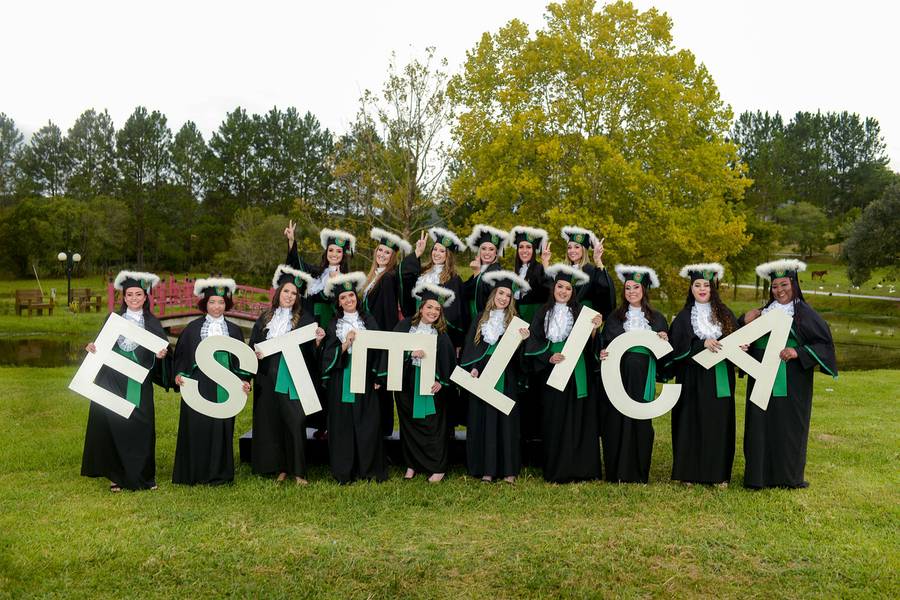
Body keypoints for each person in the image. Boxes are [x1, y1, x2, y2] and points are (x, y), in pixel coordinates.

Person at [741, 259, 837, 489]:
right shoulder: (763, 313)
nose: (779, 290)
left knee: (788, 427)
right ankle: (757, 477)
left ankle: (787, 477)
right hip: (761, 376)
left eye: (784, 285)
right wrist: (744, 336)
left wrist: (798, 352)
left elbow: (824, 345)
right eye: (774, 286)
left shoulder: (804, 313)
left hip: (792, 380)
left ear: (794, 284)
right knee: (758, 426)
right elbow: (743, 337)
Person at [81, 271, 170, 492]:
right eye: (129, 294)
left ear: (145, 297)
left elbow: (163, 352)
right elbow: (101, 345)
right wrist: (92, 347)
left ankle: (144, 476)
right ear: (124, 297)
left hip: (139, 381)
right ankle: (116, 476)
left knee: (142, 424)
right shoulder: (113, 320)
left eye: (138, 294)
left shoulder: (152, 322)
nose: (134, 298)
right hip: (113, 378)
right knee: (116, 424)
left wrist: (161, 355)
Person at [525, 264, 603, 482]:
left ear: (573, 292)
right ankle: (557, 470)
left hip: (578, 371)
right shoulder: (543, 312)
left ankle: (583, 470)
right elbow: (533, 341)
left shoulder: (581, 312)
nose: (563, 291)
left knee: (580, 418)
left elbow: (591, 345)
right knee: (555, 418)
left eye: (568, 289)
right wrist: (548, 356)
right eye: (560, 287)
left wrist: (595, 330)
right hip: (551, 372)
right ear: (553, 288)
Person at [248, 265, 325, 485]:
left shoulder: (305, 319)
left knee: (296, 420)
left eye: (294, 293)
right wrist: (255, 353)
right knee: (274, 422)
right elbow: (253, 345)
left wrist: (317, 342)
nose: (290, 296)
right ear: (278, 293)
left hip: (292, 375)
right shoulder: (265, 318)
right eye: (286, 291)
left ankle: (299, 472)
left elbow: (312, 353)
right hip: (267, 377)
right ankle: (280, 468)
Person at [172, 278, 251, 485]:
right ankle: (195, 472)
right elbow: (181, 357)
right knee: (197, 425)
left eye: (221, 302)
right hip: (199, 384)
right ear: (204, 303)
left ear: (227, 304)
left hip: (225, 386)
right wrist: (179, 374)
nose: (217, 306)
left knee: (221, 427)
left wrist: (244, 380)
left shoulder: (234, 330)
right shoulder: (192, 329)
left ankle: (219, 474)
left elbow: (241, 362)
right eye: (212, 302)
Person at [666, 263, 738, 486]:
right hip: (692, 378)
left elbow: (736, 341)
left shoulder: (726, 314)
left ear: (713, 287)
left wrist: (742, 347)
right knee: (690, 422)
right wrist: (700, 344)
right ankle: (689, 473)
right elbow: (675, 348)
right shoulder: (683, 317)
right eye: (697, 285)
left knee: (719, 423)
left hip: (719, 378)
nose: (702, 289)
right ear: (691, 288)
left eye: (706, 285)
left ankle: (718, 475)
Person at [598, 265, 668, 483]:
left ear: (644, 290)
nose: (631, 292)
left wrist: (664, 340)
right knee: (615, 420)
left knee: (640, 421)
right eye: (628, 288)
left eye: (636, 287)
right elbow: (604, 345)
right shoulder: (615, 317)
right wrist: (602, 352)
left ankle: (637, 472)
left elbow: (666, 356)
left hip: (643, 376)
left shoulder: (657, 319)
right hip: (618, 376)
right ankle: (615, 471)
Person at [460, 270, 531, 483]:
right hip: (482, 375)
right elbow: (471, 349)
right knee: (484, 420)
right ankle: (487, 469)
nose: (503, 298)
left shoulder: (515, 322)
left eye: (508, 295)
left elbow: (521, 358)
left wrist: (524, 341)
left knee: (506, 422)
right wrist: (473, 368)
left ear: (511, 300)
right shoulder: (480, 318)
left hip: (506, 375)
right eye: (500, 293)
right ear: (494, 294)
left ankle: (509, 470)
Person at [319, 272, 388, 483]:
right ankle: (344, 471)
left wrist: (378, 377)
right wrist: (345, 344)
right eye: (343, 297)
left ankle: (369, 470)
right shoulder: (333, 324)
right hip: (341, 379)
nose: (348, 300)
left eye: (351, 296)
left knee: (367, 423)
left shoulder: (368, 320)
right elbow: (327, 355)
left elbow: (381, 349)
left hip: (365, 377)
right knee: (341, 425)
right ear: (338, 302)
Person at [391, 283, 457, 482]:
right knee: (409, 424)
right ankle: (412, 465)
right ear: (421, 308)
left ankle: (438, 467)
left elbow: (448, 363)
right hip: (407, 382)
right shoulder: (404, 327)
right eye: (429, 307)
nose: (433, 312)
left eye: (437, 309)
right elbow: (392, 353)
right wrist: (409, 354)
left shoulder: (441, 334)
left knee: (432, 426)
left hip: (430, 385)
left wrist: (441, 382)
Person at [362, 227, 412, 437]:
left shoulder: (389, 277)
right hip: (369, 335)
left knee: (380, 382)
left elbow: (389, 312)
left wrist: (383, 339)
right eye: (380, 250)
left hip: (379, 335)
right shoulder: (373, 276)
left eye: (387, 252)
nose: (382, 254)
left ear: (393, 257)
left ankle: (382, 431)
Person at [509, 225, 550, 442]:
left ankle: (536, 433)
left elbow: (549, 292)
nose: (524, 250)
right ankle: (521, 431)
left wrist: (546, 265)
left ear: (534, 250)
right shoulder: (513, 273)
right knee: (519, 380)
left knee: (535, 379)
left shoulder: (540, 270)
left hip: (535, 328)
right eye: (521, 247)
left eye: (528, 247)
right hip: (516, 329)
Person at [400, 227, 467, 347]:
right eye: (435, 249)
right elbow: (404, 275)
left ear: (448, 255)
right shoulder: (422, 271)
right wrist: (417, 253)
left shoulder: (454, 279)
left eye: (442, 251)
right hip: (416, 325)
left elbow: (455, 313)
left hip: (439, 331)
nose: (436, 253)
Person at [283, 220, 355, 329]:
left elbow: (338, 304)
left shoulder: (346, 280)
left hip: (325, 325)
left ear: (343, 255)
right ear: (326, 252)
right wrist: (292, 240)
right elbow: (297, 265)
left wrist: (333, 283)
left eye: (338, 251)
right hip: (306, 320)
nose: (334, 254)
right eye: (331, 250)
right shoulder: (317, 272)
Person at [543, 226, 616, 319]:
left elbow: (605, 290)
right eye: (569, 247)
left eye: (576, 247)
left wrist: (598, 260)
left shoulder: (591, 271)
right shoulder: (563, 271)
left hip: (584, 318)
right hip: (562, 317)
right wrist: (545, 262)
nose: (572, 251)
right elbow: (550, 290)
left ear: (583, 250)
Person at [462, 224, 510, 325]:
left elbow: (485, 296)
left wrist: (477, 272)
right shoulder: (482, 270)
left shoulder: (498, 274)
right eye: (483, 248)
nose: (487, 252)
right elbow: (466, 292)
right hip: (473, 322)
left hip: (488, 322)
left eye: (491, 249)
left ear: (496, 253)